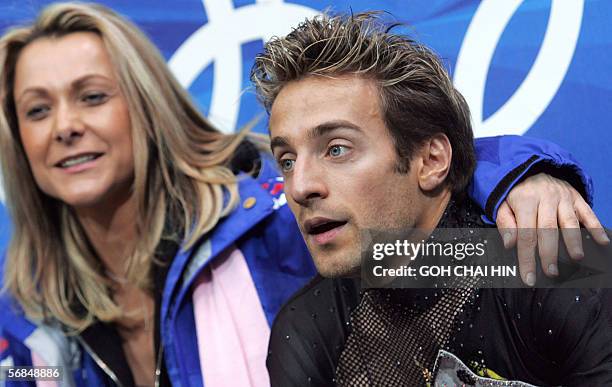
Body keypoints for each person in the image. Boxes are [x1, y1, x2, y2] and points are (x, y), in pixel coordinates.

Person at [0, 3, 605, 387]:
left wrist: (523, 174)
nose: (64, 126)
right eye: (35, 109)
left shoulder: (268, 223)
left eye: (92, 96)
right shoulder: (23, 327)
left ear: (145, 105)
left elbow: (416, 188)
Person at [252, 12, 612, 386]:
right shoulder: (305, 332)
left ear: (431, 161)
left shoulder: (560, 267)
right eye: (288, 160)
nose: (299, 187)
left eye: (337, 149)